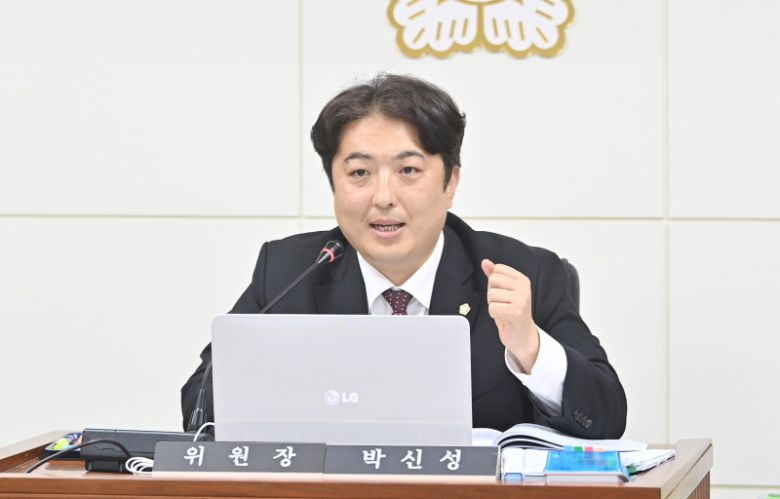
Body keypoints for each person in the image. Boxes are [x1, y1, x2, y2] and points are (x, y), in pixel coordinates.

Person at [181, 74, 627, 438]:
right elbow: (199, 411)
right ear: (333, 184)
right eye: (359, 173)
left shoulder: (522, 273)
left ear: (450, 182)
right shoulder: (289, 272)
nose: (383, 197)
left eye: (408, 170)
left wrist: (530, 346)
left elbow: (607, 419)